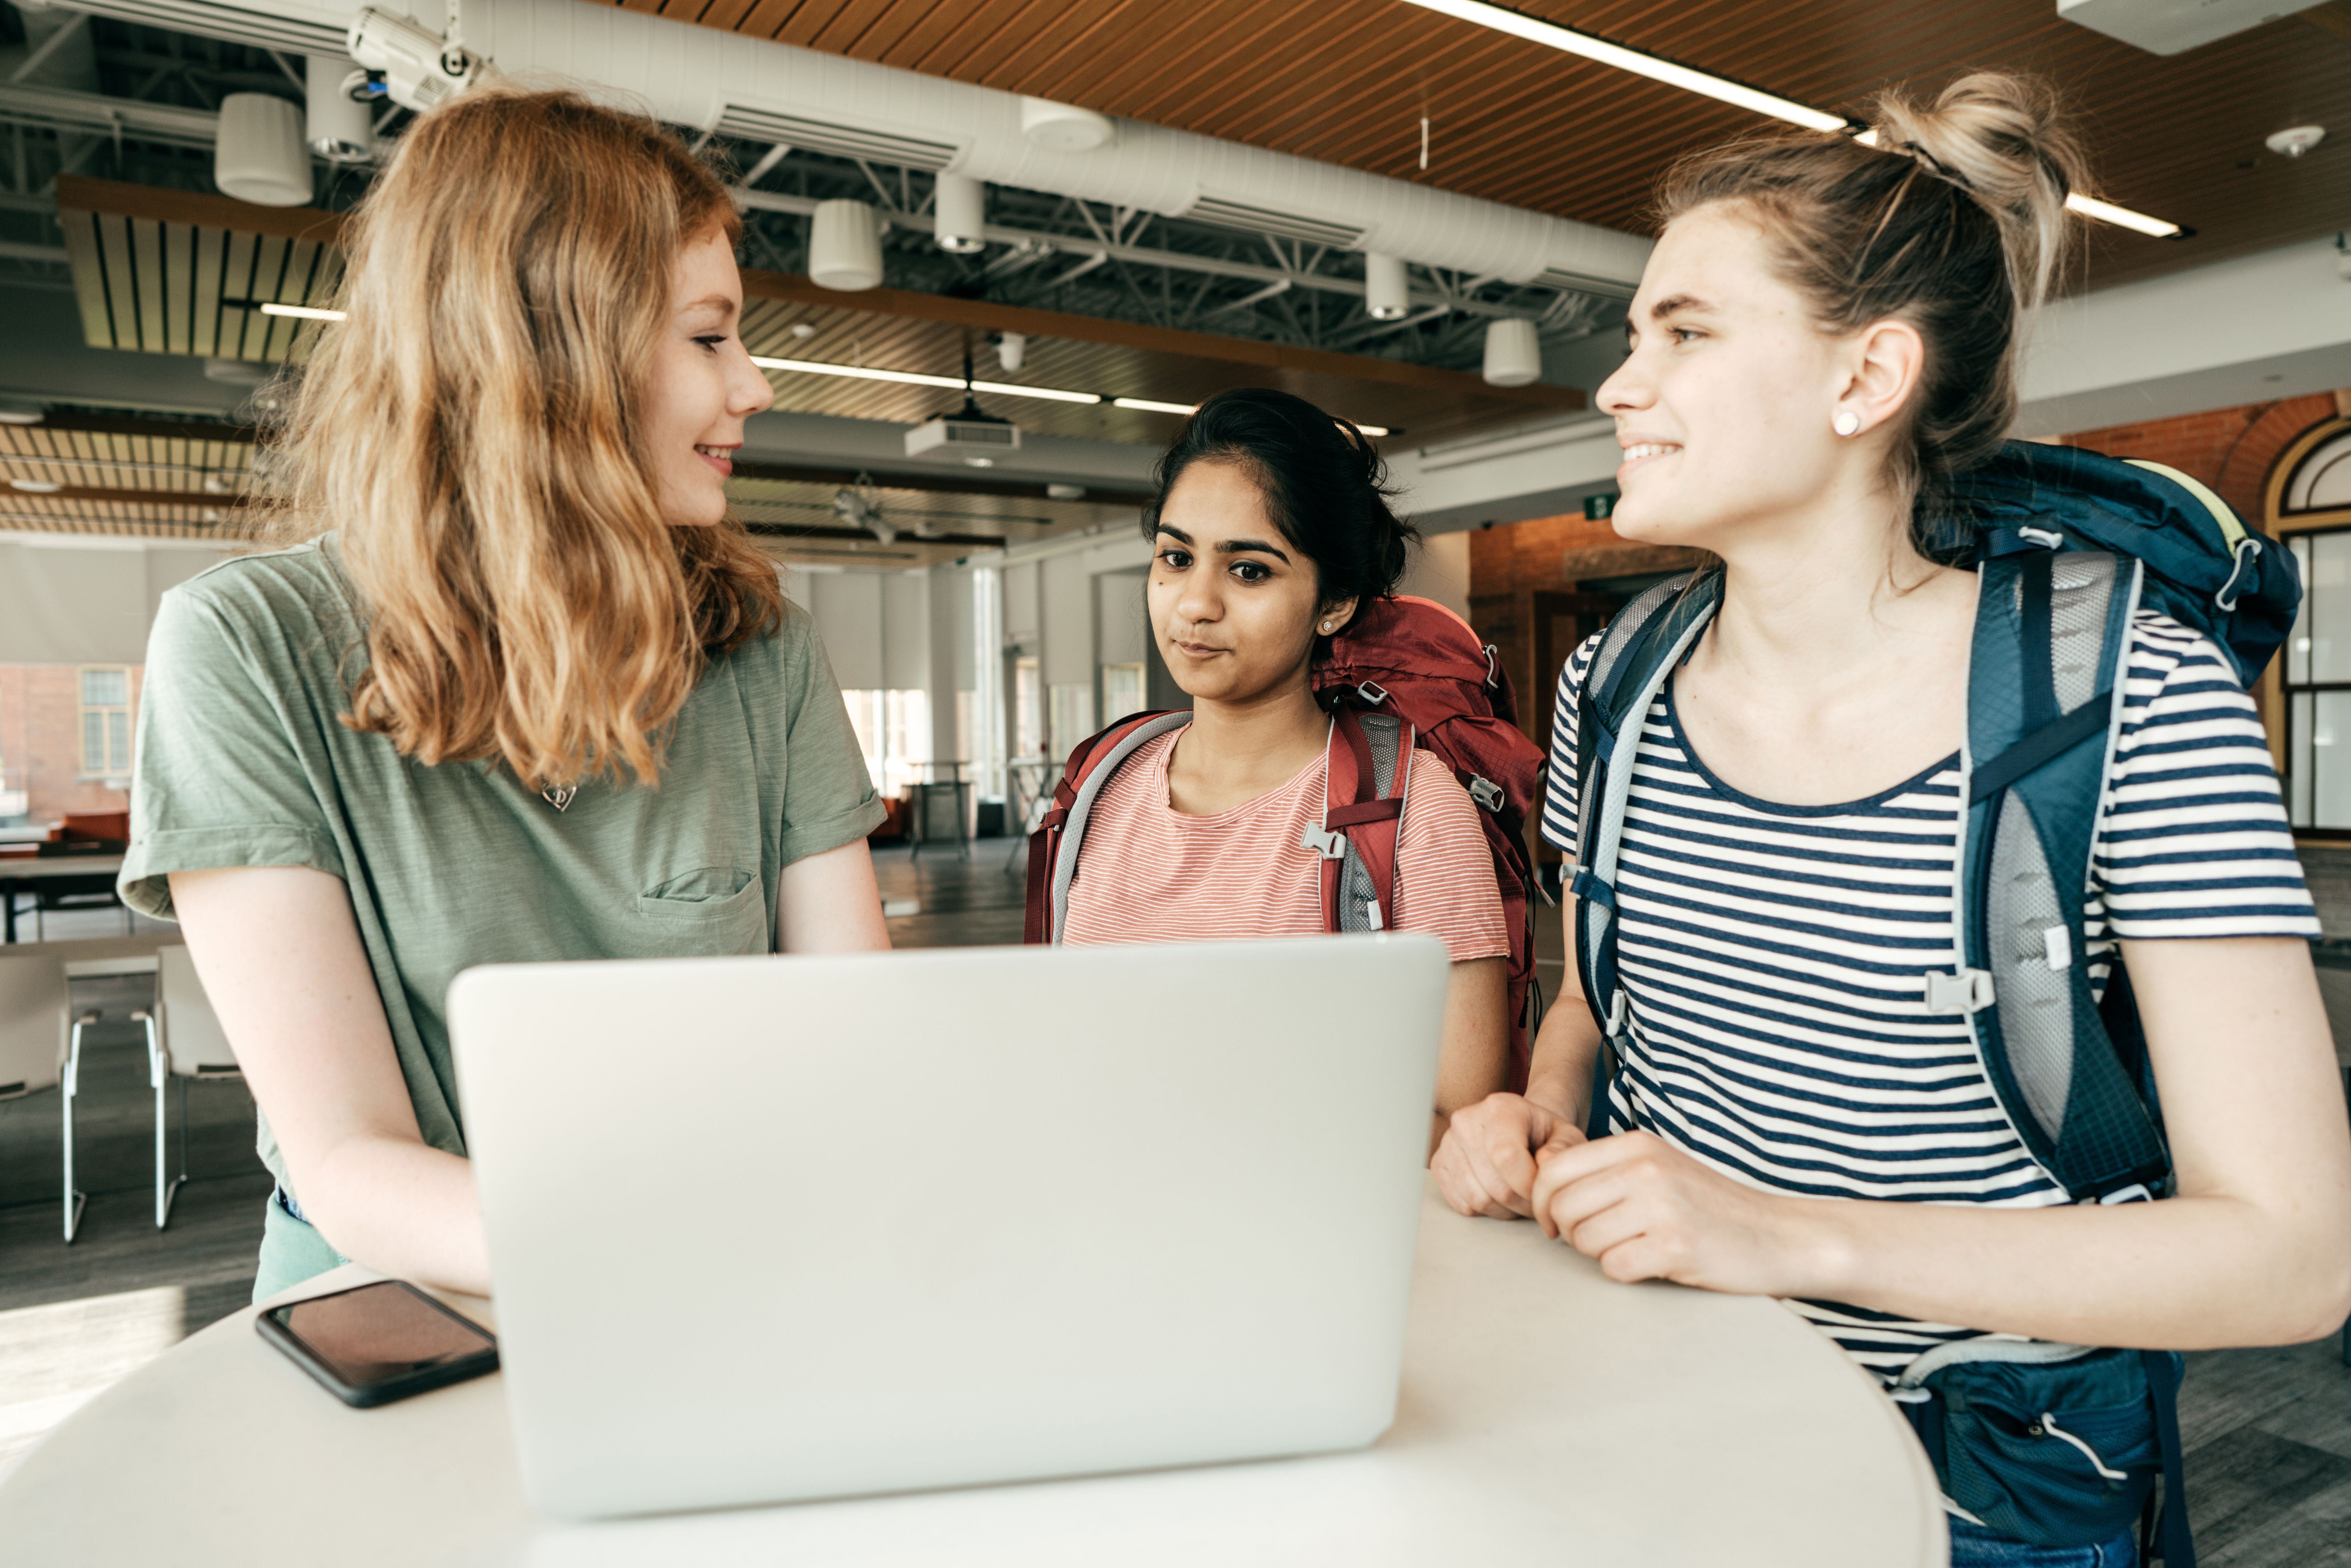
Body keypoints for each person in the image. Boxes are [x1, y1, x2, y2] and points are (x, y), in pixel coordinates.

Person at [1430, 73, 2351, 1565]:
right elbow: (1594, 1016)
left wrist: (1789, 1237)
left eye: (1682, 332)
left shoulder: (2123, 694)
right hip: (1666, 1394)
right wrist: (1530, 1116)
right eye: (1628, 335)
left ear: (1863, 382)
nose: (1614, 385)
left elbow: (2290, 1256)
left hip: (2003, 1465)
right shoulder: (1613, 681)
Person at [118, 88, 889, 1302]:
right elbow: (350, 1161)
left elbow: (859, 1054)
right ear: (551, 355)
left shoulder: (759, 646)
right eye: (706, 339)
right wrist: (684, 1262)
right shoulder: (243, 648)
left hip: (726, 1271)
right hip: (400, 1295)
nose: (754, 386)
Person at [1055, 388, 1511, 1151]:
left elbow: (1460, 1126)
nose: (1194, 604)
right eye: (1175, 558)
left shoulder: (1409, 811)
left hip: (1308, 1243)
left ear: (1332, 602)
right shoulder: (1102, 786)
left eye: (1250, 572)